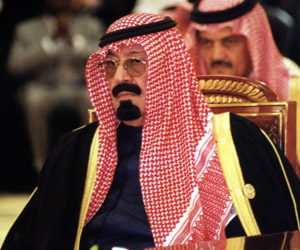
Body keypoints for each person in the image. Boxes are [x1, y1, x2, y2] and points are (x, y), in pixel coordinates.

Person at [2, 13, 300, 250]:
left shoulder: (234, 141)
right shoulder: (77, 149)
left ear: (167, 67)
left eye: (135, 62)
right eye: (110, 64)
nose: (120, 77)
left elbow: (278, 234)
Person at [161, 0, 300, 164]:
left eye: (229, 41)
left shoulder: (291, 89)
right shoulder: (186, 91)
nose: (217, 55)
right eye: (207, 42)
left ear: (251, 40)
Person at [6, 0, 105, 172]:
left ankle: (90, 163)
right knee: (33, 99)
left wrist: (74, 41)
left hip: (80, 86)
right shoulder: (27, 28)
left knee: (91, 98)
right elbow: (15, 66)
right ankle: (41, 167)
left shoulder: (91, 25)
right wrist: (48, 44)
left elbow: (103, 60)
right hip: (44, 87)